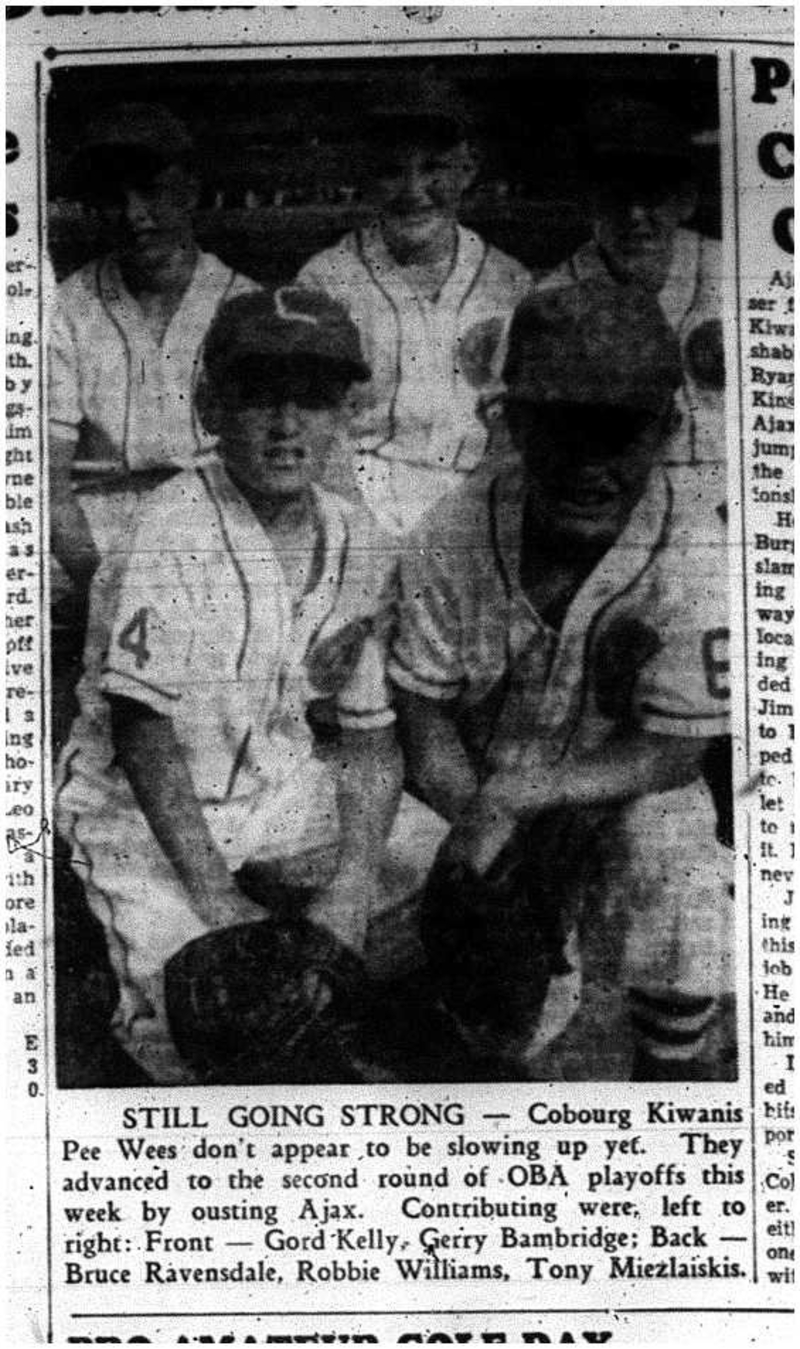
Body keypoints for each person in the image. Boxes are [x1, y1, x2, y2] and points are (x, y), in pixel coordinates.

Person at [55, 287, 445, 1085]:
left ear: (344, 413)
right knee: (198, 1017)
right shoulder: (173, 528)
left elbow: (370, 740)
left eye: (312, 397)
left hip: (281, 786)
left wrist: (353, 882)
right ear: (211, 405)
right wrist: (219, 902)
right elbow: (142, 733)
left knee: (457, 886)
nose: (286, 421)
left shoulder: (356, 535)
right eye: (259, 394)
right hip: (141, 806)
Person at [389, 280, 733, 1080]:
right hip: (469, 783)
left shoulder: (698, 549)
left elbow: (675, 750)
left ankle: (674, 1064)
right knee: (489, 1007)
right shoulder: (452, 530)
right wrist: (480, 822)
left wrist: (529, 798)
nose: (587, 463)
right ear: (510, 424)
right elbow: (424, 714)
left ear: (667, 429)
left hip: (614, 783)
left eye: (616, 432)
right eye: (560, 427)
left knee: (678, 861)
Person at [297, 67, 531, 536]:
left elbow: (516, 433)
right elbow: (318, 431)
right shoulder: (326, 281)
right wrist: (359, 532)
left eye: (434, 168)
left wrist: (479, 524)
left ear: (468, 168)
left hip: (479, 503)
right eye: (390, 171)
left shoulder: (510, 283)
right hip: (361, 505)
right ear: (365, 176)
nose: (412, 192)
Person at [49, 102, 259, 594]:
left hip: (211, 521)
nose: (134, 216)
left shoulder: (242, 302)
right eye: (112, 197)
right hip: (93, 524)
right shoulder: (67, 307)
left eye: (151, 191)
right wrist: (102, 588)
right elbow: (50, 485)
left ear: (189, 190)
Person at [539, 96, 724, 467]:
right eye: (616, 196)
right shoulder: (552, 300)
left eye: (652, 194)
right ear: (591, 204)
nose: (634, 215)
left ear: (685, 200)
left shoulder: (734, 271)